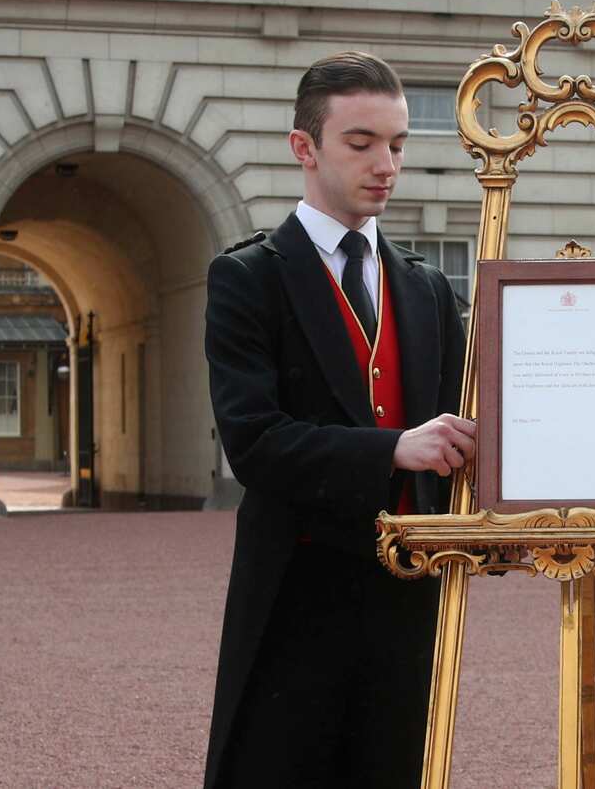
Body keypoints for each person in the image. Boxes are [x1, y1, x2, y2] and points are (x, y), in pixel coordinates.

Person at [202, 51, 474, 789]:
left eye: (397, 144)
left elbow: (477, 427)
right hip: (296, 593)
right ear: (305, 147)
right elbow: (255, 442)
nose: (386, 164)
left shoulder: (428, 288)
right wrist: (395, 449)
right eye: (361, 143)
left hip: (410, 599)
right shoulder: (247, 277)